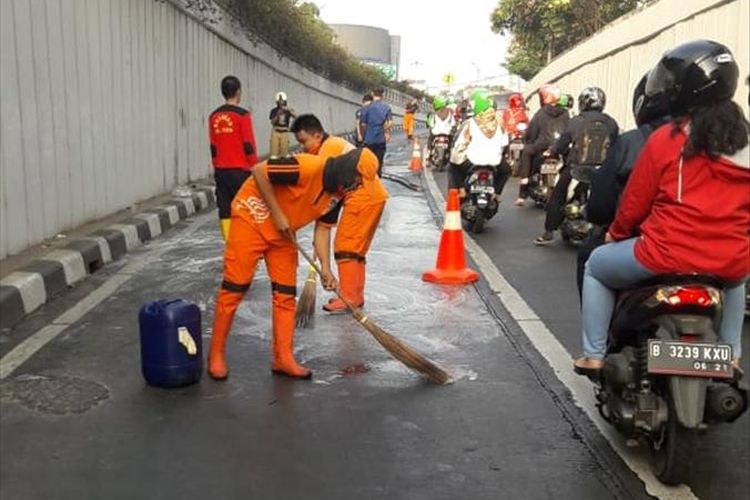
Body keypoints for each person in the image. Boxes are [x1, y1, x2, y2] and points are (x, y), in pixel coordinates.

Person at [575, 40, 749, 376]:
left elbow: (635, 202)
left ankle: (594, 355)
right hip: (727, 261)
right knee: (737, 278)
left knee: (595, 265)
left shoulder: (668, 138)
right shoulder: (745, 141)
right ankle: (731, 356)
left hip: (663, 255)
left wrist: (616, 234)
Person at [208, 148, 382, 380]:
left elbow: (322, 229)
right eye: (358, 181)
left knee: (285, 294)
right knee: (235, 287)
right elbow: (259, 171)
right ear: (346, 171)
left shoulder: (338, 194)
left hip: (284, 233)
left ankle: (283, 357)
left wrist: (326, 269)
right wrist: (277, 213)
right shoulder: (306, 167)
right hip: (252, 217)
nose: (357, 187)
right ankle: (216, 354)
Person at [574, 74, 672, 295]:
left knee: (590, 260)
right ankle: (729, 332)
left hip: (653, 247)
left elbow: (629, 206)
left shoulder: (638, 143)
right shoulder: (723, 143)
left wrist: (615, 232)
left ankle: (597, 332)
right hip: (722, 256)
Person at [291, 114, 389, 312]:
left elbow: (323, 214)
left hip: (361, 197)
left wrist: (325, 268)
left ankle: (350, 298)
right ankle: (355, 296)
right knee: (355, 250)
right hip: (372, 196)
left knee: (346, 247)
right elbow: (324, 220)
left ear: (317, 136)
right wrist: (320, 250)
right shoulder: (334, 146)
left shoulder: (326, 156)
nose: (302, 148)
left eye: (304, 142)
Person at [534, 87, 619, 245]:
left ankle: (548, 232)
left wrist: (552, 151)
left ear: (583, 102)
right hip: (602, 170)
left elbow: (562, 143)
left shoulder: (577, 121)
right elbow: (616, 145)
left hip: (577, 169)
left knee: (557, 196)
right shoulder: (611, 122)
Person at [208, 75, 259, 241]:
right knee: (245, 207)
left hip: (221, 170)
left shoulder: (213, 116)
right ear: (238, 92)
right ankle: (243, 242)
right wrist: (254, 166)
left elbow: (213, 147)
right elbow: (248, 144)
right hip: (241, 170)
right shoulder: (243, 115)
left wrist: (217, 166)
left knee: (225, 208)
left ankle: (229, 243)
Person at [449, 90, 510, 200]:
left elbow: (459, 143)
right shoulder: (500, 122)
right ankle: (497, 194)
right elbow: (505, 143)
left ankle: (462, 190)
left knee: (453, 167)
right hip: (494, 162)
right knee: (506, 171)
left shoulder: (470, 123)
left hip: (472, 160)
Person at [515, 84, 570, 206]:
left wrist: (528, 141)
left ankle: (522, 193)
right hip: (560, 147)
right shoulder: (565, 113)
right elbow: (568, 131)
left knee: (526, 152)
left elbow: (531, 132)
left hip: (541, 146)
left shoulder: (541, 113)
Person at [359, 87, 393, 176]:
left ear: (372, 94)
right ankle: (377, 181)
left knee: (368, 163)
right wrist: (384, 130)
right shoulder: (386, 107)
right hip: (380, 140)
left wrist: (363, 136)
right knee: (379, 162)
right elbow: (390, 123)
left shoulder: (366, 108)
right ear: (383, 95)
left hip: (368, 140)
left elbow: (363, 124)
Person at [269, 91, 296, 157]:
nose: (281, 102)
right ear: (277, 102)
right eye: (280, 100)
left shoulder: (288, 110)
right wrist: (278, 114)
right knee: (274, 153)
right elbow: (272, 122)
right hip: (276, 131)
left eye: (282, 100)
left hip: (284, 131)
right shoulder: (274, 110)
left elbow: (296, 116)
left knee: (284, 153)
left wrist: (289, 110)